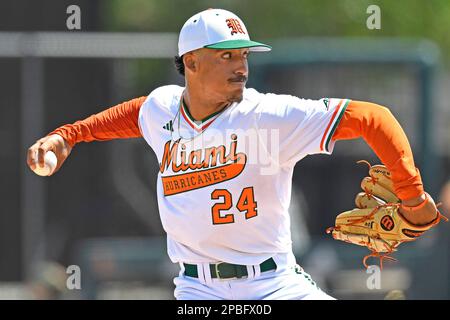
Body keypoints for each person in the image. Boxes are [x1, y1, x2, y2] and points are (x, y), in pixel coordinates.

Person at [27, 8, 439, 300]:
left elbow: (373, 117)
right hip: (197, 289)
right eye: (226, 55)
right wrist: (69, 136)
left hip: (273, 285)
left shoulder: (268, 115)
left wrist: (413, 195)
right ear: (191, 62)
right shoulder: (163, 107)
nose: (241, 65)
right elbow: (133, 114)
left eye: (243, 54)